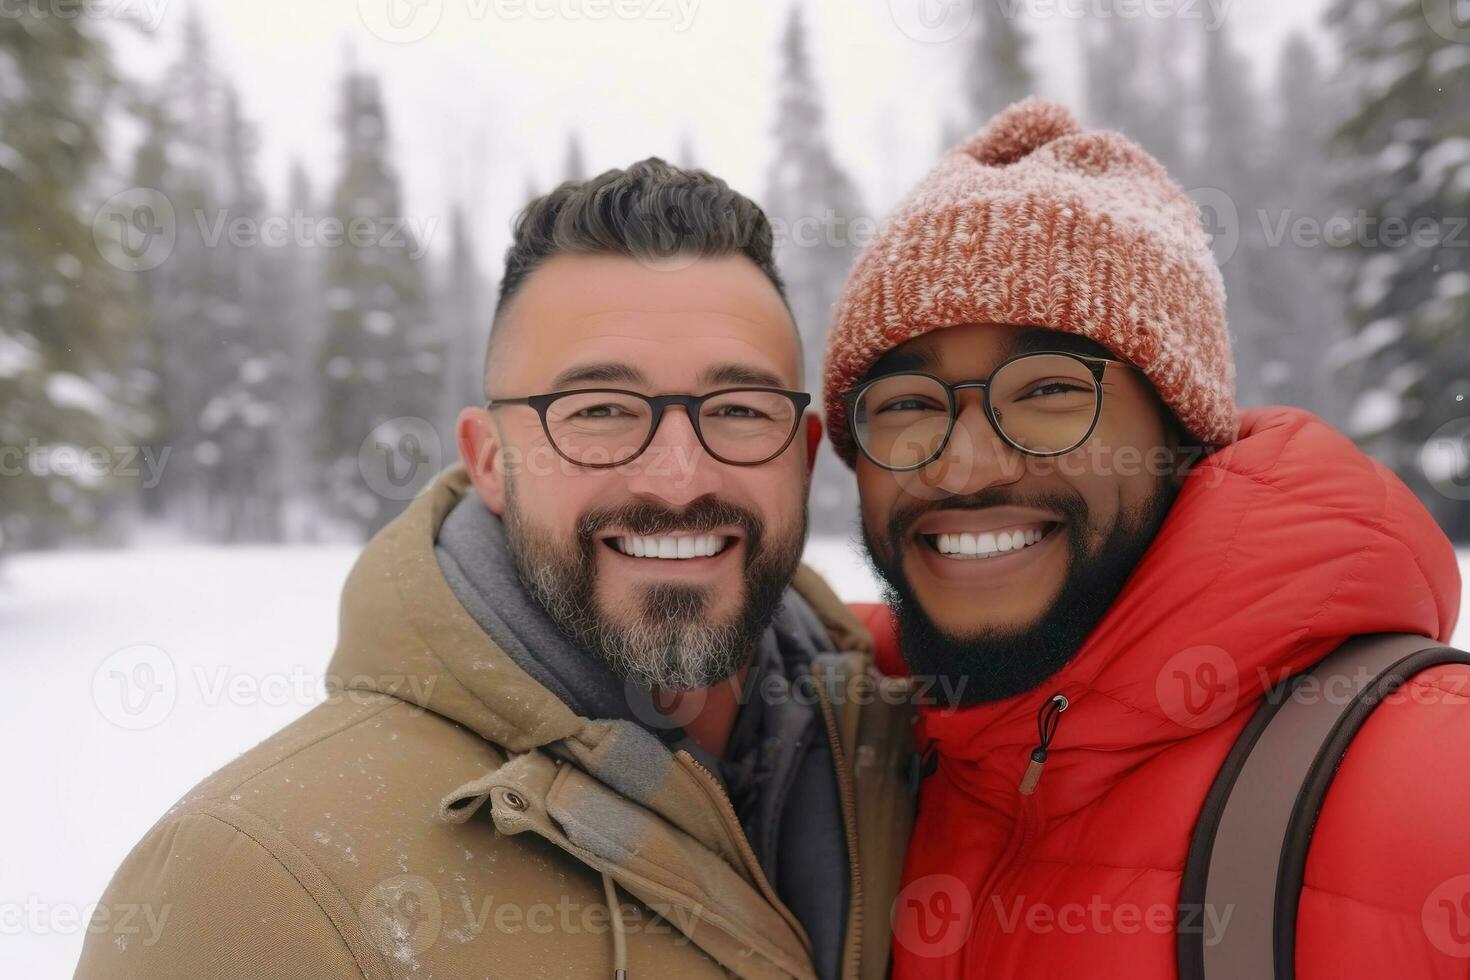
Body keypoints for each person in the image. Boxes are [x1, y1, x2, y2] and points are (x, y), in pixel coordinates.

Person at [75, 159, 914, 980]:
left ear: (803, 459)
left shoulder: (907, 753)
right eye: (598, 412)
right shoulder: (257, 889)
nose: (678, 477)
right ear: (489, 460)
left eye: (737, 411)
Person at [822, 98, 1466, 978]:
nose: (965, 469)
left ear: (1181, 435)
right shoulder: (839, 753)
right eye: (905, 405)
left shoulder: (1434, 777)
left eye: (1048, 390)